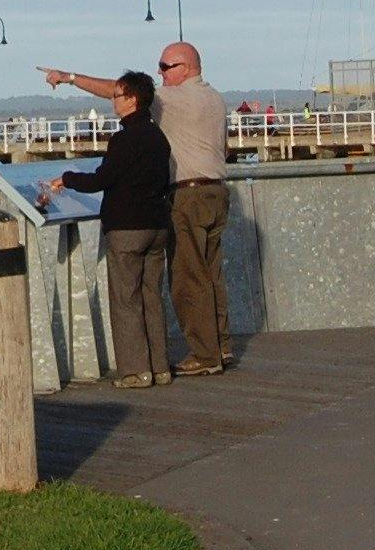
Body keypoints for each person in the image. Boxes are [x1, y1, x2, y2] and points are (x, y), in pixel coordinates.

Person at [43, 42, 230, 374]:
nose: (160, 72)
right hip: (216, 192)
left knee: (188, 278)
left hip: (188, 195)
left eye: (166, 66)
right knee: (211, 274)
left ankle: (205, 356)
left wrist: (70, 77)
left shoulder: (173, 99)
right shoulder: (215, 98)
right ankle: (220, 346)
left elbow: (120, 90)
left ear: (187, 68)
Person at [33, 70, 175, 388]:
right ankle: (160, 366)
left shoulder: (124, 140)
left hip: (127, 227)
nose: (113, 101)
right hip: (156, 225)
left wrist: (67, 178)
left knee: (126, 299)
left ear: (132, 99)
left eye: (117, 96)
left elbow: (101, 180)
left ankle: (136, 371)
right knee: (152, 297)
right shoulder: (158, 137)